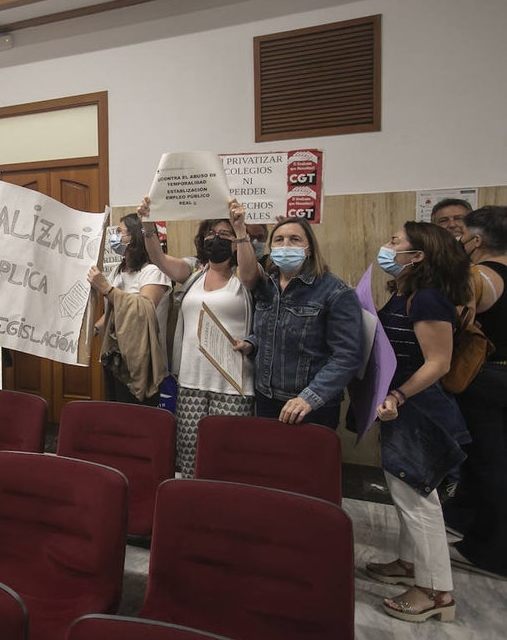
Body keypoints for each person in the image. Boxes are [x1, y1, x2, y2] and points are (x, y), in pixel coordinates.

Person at [365, 221, 471, 623]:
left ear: (418, 256)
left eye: (395, 242)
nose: (387, 247)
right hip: (402, 407)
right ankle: (410, 564)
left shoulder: (428, 300)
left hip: (419, 411)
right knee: (404, 490)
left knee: (418, 501)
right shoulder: (408, 295)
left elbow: (438, 363)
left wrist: (398, 394)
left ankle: (436, 592)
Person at [137, 197, 254, 477]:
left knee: (227, 461)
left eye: (223, 234)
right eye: (211, 233)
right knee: (189, 458)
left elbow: (251, 275)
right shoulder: (193, 274)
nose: (216, 239)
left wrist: (240, 231)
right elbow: (159, 258)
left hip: (233, 386)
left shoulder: (244, 276)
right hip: (191, 382)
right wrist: (148, 225)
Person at [232, 206, 363, 429]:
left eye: (294, 239)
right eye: (279, 240)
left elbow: (346, 356)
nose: (286, 246)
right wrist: (251, 344)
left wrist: (309, 398)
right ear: (270, 248)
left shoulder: (335, 292)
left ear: (309, 248)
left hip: (310, 406)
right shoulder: (266, 286)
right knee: (271, 463)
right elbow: (269, 332)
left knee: (307, 463)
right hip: (267, 397)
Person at [448, 206, 507, 577]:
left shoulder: (477, 277)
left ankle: (491, 550)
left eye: (463, 234)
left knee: (488, 463)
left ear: (477, 240)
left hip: (485, 378)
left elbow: (452, 324)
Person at [87, 213, 171, 404]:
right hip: (115, 359)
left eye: (120, 232)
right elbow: (114, 311)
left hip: (140, 362)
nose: (115, 237)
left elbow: (142, 310)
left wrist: (107, 289)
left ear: (135, 237)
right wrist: (95, 329)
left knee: (138, 421)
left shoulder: (153, 271)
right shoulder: (120, 270)